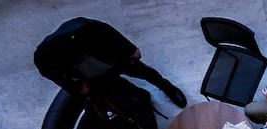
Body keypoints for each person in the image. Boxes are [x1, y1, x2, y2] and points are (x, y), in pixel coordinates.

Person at [33, 18, 187, 107]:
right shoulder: (43, 57)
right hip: (90, 75)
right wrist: (75, 87)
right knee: (118, 85)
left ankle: (167, 87)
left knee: (144, 72)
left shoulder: (81, 27)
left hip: (110, 58)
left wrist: (130, 49)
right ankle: (140, 96)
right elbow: (51, 74)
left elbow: (109, 32)